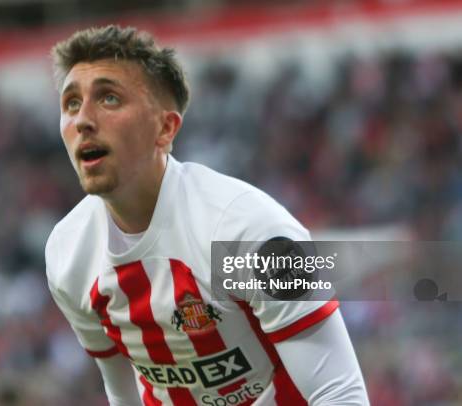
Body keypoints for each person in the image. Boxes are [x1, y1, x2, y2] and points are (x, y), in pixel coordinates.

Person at [45, 25, 369, 405]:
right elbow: (123, 390)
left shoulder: (249, 232)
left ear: (165, 128)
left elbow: (339, 393)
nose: (82, 119)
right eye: (70, 103)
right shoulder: (68, 254)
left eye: (109, 98)